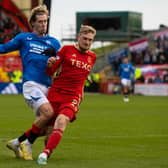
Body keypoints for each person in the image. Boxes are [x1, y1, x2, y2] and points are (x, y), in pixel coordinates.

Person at [0, 5, 61, 160]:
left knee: (47, 128)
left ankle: (16, 142)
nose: (43, 25)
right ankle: (28, 144)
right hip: (31, 85)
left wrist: (55, 64)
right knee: (48, 113)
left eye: (45, 22)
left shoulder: (54, 43)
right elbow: (4, 48)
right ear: (32, 23)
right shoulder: (24, 38)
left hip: (48, 87)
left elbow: (61, 65)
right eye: (40, 22)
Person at [36, 25, 97, 165]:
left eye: (90, 40)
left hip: (73, 98)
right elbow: (51, 72)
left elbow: (82, 74)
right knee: (46, 132)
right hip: (56, 95)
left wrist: (82, 89)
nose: (87, 42)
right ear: (78, 37)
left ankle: (44, 154)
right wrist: (50, 64)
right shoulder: (66, 50)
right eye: (85, 38)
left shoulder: (92, 57)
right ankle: (22, 141)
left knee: (62, 121)